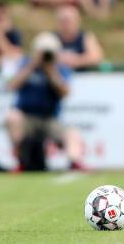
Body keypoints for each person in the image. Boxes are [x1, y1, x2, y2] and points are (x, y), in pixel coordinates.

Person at [5, 32, 84, 170]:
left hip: (50, 118)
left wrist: (50, 71)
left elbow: (65, 92)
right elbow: (12, 85)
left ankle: (74, 163)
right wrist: (32, 65)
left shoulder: (59, 68)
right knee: (12, 118)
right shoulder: (25, 64)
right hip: (27, 116)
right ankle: (21, 161)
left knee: (72, 133)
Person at [54, 5, 104, 71]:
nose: (66, 25)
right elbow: (41, 58)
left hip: (82, 77)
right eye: (63, 21)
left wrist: (76, 60)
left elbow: (96, 57)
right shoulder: (51, 38)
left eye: (68, 21)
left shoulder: (86, 37)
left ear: (77, 21)